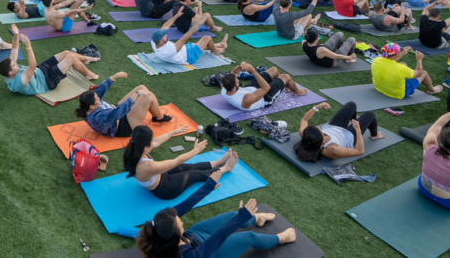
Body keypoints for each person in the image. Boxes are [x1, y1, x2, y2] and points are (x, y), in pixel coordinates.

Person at [135, 164, 295, 257]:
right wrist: (240, 219)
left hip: (194, 235)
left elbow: (185, 205)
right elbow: (217, 239)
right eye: (180, 224)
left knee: (232, 215)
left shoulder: (160, 228)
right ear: (174, 237)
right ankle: (281, 238)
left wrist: (207, 187)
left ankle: (255, 218)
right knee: (249, 236)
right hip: (210, 253)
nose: (181, 219)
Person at [123, 127, 237, 200]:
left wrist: (173, 132)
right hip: (165, 189)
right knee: (194, 174)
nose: (153, 142)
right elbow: (177, 160)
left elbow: (156, 141)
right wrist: (196, 150)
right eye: (151, 141)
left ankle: (219, 162)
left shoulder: (134, 148)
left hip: (160, 176)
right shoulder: (147, 167)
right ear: (145, 147)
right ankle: (226, 168)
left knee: (188, 167)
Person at [0, 28, 98, 95]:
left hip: (41, 69)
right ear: (10, 72)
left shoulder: (9, 70)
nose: (16, 64)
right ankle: (89, 74)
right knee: (71, 58)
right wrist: (28, 46)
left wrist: (16, 34)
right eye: (14, 65)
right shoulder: (18, 83)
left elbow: (15, 49)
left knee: (66, 53)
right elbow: (32, 66)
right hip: (47, 80)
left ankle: (86, 59)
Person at [75, 71, 172, 137]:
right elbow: (119, 112)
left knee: (142, 87)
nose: (99, 99)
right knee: (147, 96)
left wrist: (114, 77)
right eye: (97, 100)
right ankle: (159, 117)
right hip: (125, 126)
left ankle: (158, 116)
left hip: (117, 112)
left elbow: (98, 91)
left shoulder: (89, 105)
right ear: (91, 106)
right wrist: (136, 95)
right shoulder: (98, 119)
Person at [293, 101, 382, 163]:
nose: (318, 127)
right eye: (319, 129)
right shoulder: (331, 150)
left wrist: (317, 107)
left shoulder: (306, 136)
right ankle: (375, 135)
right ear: (321, 137)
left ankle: (353, 123)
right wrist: (358, 129)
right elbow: (360, 151)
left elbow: (304, 119)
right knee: (370, 114)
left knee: (351, 105)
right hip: (349, 136)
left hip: (333, 127)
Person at [220, 61, 306, 112]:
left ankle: (285, 84)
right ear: (234, 88)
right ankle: (297, 91)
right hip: (265, 97)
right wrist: (252, 71)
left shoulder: (224, 87)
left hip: (251, 88)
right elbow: (266, 88)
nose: (239, 81)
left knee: (274, 70)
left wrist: (240, 66)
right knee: (285, 76)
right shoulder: (245, 100)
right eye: (238, 82)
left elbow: (234, 73)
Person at [371, 42, 442, 99]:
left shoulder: (376, 60)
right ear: (396, 55)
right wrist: (419, 59)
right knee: (424, 73)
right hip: (398, 94)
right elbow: (418, 73)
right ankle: (432, 90)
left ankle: (403, 78)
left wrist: (403, 53)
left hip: (378, 87)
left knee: (403, 64)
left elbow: (390, 60)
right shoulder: (401, 69)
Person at [150, 14, 228, 65]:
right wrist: (195, 26)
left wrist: (176, 16)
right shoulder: (168, 52)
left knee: (198, 44)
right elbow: (184, 38)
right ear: (160, 41)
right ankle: (216, 50)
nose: (166, 35)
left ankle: (221, 44)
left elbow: (165, 26)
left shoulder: (154, 42)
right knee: (207, 39)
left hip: (184, 49)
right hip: (189, 56)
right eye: (164, 36)